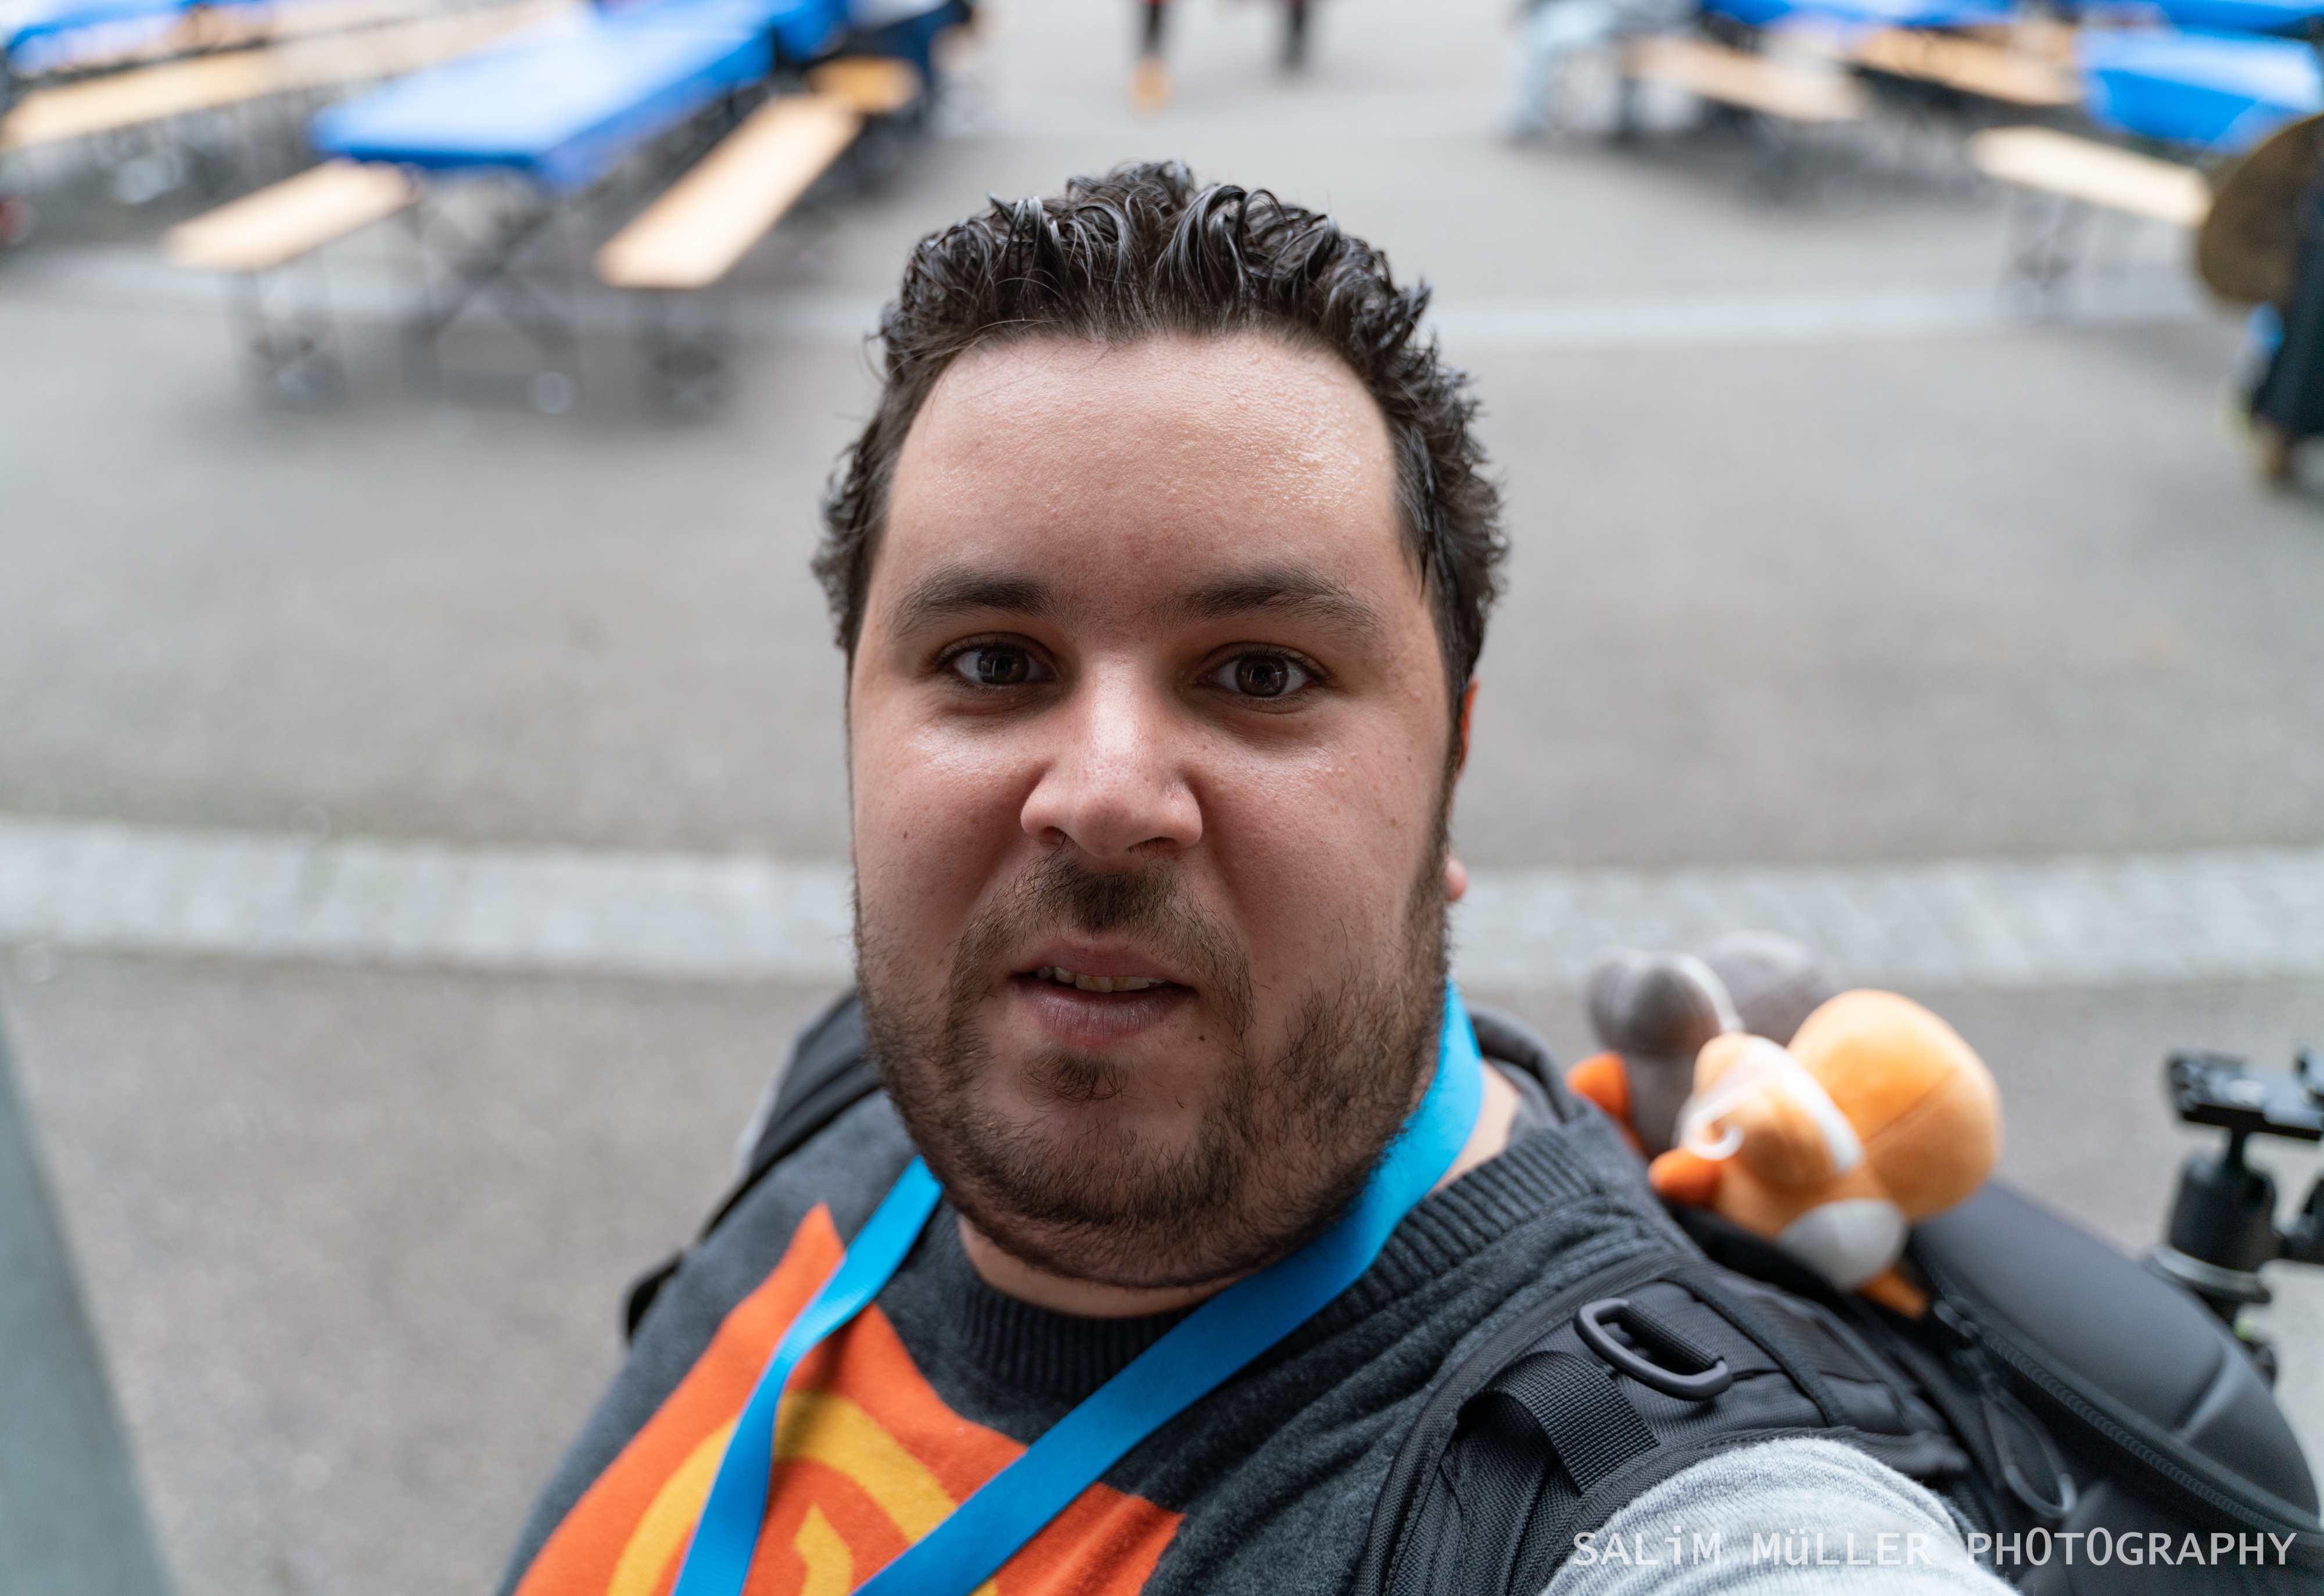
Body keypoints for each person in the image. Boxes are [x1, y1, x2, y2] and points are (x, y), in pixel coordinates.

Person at [496, 163, 2009, 1596]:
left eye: (1262, 672)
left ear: (1449, 765)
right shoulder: (848, 1084)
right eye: (992, 662)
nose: (1102, 799)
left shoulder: (1651, 1501)